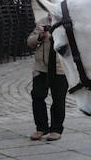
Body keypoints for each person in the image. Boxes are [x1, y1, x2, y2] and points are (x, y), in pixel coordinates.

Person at [27, 14, 67, 142]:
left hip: (60, 69)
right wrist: (40, 36)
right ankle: (41, 127)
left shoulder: (68, 22)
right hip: (41, 67)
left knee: (58, 99)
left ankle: (56, 129)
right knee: (37, 95)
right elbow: (30, 41)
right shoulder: (42, 22)